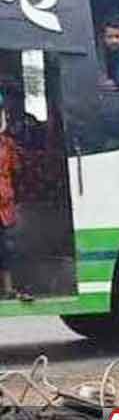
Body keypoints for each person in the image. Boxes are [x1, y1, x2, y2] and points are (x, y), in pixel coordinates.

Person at [0, 92, 30, 302]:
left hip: (4, 205)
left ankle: (9, 288)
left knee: (7, 248)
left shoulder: (7, 144)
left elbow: (18, 169)